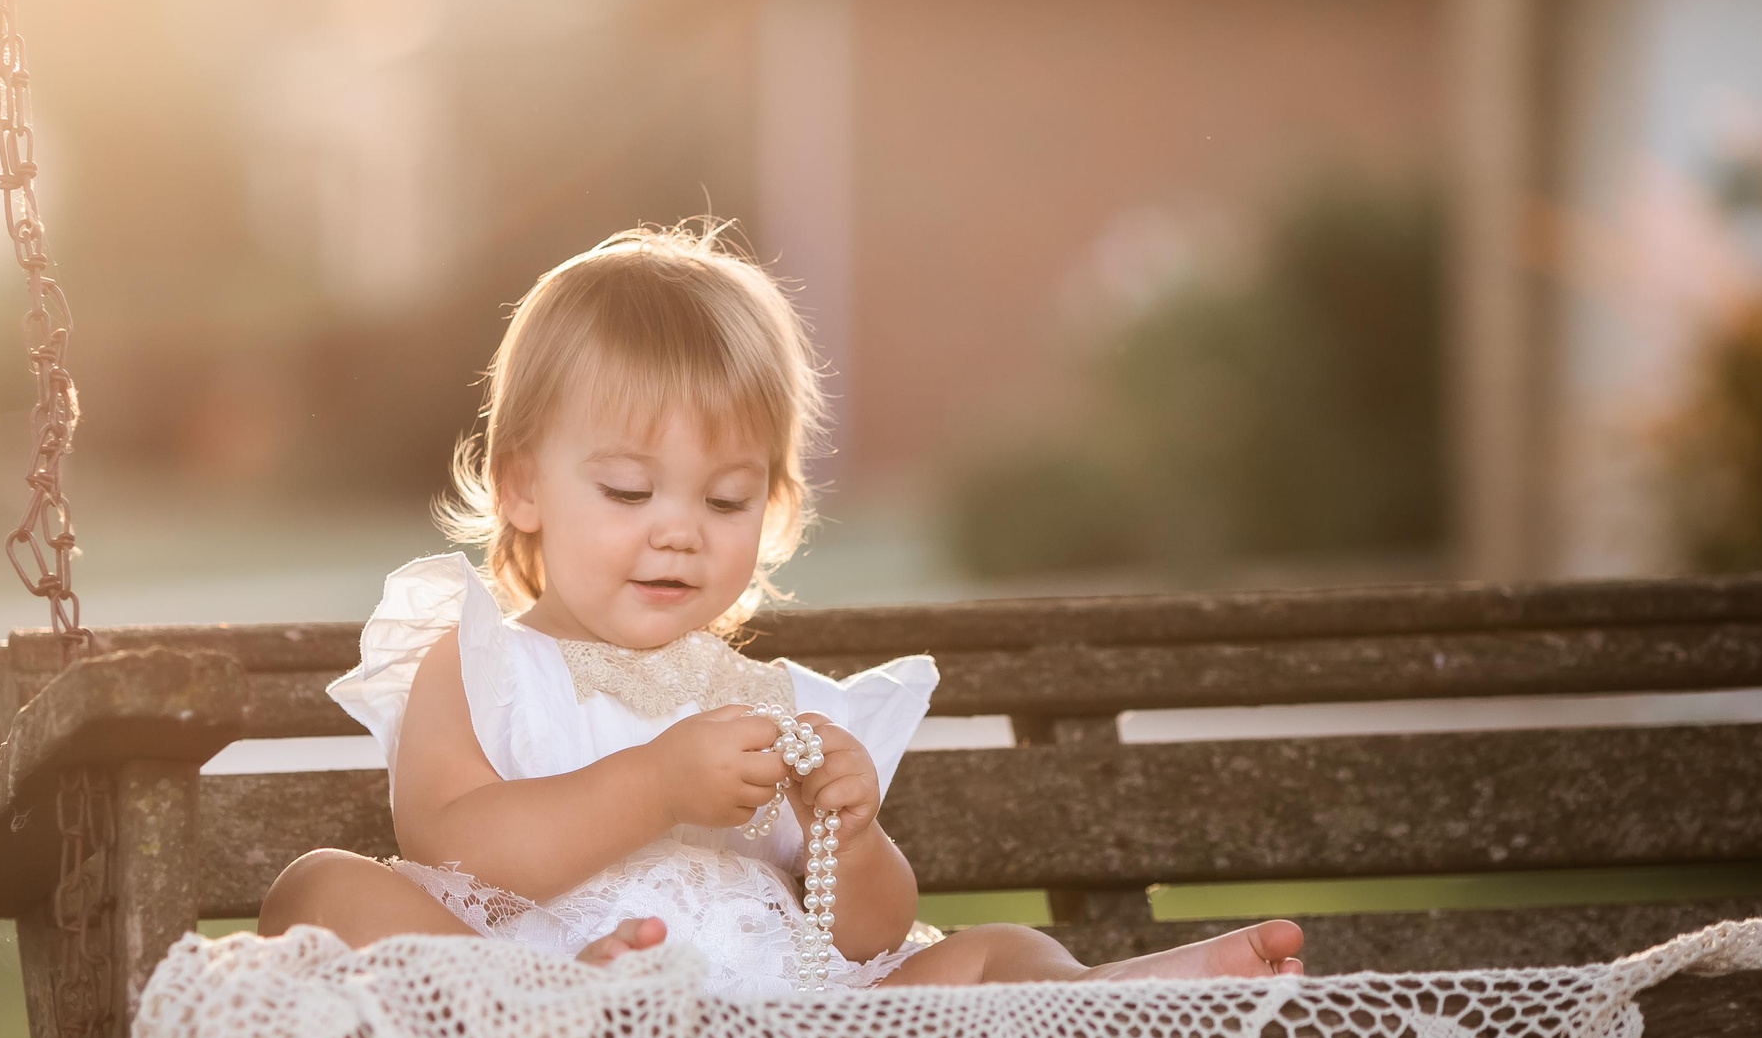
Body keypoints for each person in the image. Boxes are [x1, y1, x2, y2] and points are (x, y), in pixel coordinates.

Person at [260, 222, 1304, 995]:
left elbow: (867, 938)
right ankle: (569, 1025)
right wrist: (654, 784)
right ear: (524, 486)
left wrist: (846, 836)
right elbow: (452, 844)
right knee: (318, 892)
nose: (679, 530)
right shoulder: (480, 662)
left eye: (725, 499)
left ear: (776, 510)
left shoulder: (783, 705)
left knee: (993, 956)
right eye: (628, 491)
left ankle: (1115, 1005)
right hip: (550, 1003)